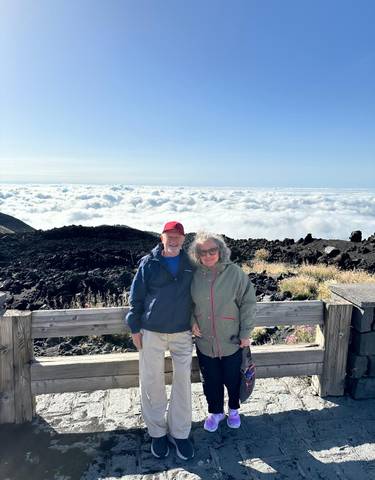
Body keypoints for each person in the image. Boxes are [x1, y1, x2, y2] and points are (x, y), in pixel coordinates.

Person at [126, 221, 195, 460]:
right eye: (169, 235)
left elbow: (199, 294)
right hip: (151, 331)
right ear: (161, 237)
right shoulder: (149, 263)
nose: (174, 240)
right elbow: (136, 297)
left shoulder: (191, 263)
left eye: (178, 236)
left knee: (183, 382)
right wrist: (134, 327)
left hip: (182, 332)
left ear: (183, 239)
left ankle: (180, 433)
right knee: (152, 381)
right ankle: (157, 432)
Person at [189, 231, 256, 432]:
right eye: (203, 251)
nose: (208, 255)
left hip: (232, 340)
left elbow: (248, 303)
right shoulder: (193, 276)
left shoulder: (235, 273)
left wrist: (246, 333)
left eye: (212, 250)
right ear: (197, 254)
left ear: (220, 251)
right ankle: (215, 412)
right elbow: (187, 303)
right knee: (211, 380)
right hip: (204, 341)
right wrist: (191, 320)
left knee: (233, 378)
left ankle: (234, 409)